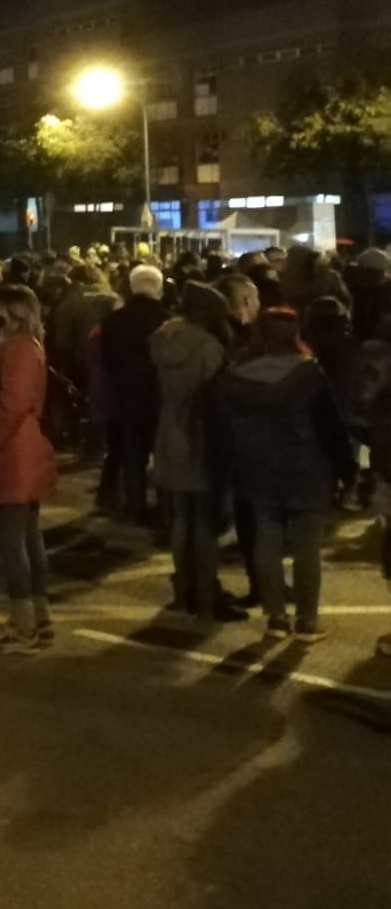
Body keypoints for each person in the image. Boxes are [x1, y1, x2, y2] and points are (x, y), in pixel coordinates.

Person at [213, 307, 347, 643]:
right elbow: (331, 428)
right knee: (307, 547)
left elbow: (224, 426)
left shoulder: (236, 376)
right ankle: (307, 620)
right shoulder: (309, 375)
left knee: (266, 539)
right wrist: (346, 468)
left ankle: (275, 617)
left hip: (256, 465)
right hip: (305, 466)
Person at [150, 281, 246, 623]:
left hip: (169, 430)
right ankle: (207, 593)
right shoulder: (210, 348)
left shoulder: (162, 339)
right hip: (201, 434)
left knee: (180, 518)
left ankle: (184, 589)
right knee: (205, 521)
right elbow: (219, 399)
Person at [0, 286, 56, 650]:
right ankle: (39, 615)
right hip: (23, 450)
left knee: (13, 539)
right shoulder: (26, 344)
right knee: (27, 536)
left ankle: (24, 622)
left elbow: (14, 402)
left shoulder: (20, 347)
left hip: (15, 453)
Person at [98, 263, 170, 521]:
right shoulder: (167, 320)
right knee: (163, 455)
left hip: (126, 395)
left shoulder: (114, 321)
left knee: (132, 453)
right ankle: (165, 508)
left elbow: (105, 358)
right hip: (160, 396)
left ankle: (135, 504)